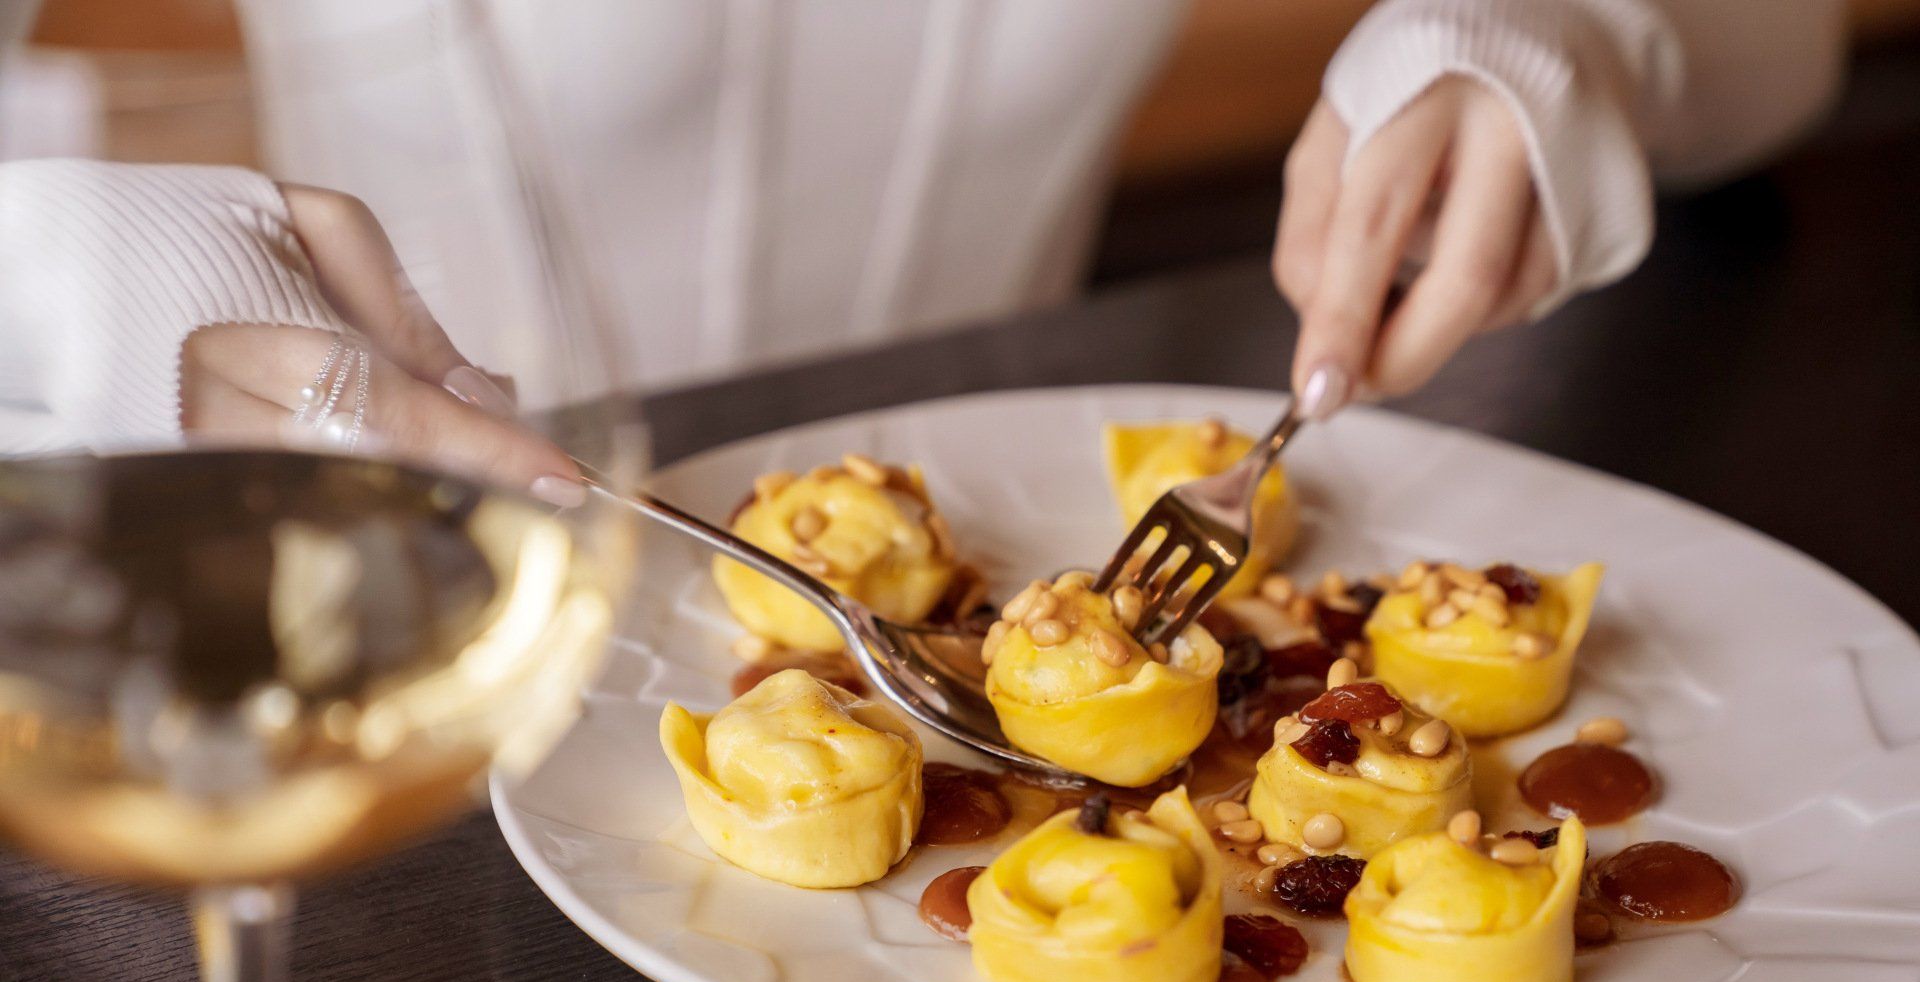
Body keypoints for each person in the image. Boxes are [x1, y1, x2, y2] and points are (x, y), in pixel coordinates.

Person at [0, 0, 1847, 495]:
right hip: (384, 623)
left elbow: (1791, 43)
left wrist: (1579, 32)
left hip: (993, 576)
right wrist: (59, 274)